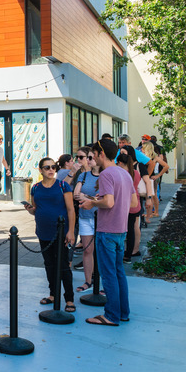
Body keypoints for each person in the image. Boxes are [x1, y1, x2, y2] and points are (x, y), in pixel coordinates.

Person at [80, 139, 138, 326]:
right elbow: (132, 204)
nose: (92, 157)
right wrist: (102, 199)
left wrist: (93, 202)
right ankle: (123, 313)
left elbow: (109, 203)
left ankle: (111, 316)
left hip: (107, 231)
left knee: (109, 274)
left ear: (101, 154)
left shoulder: (105, 175)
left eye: (94, 154)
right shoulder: (125, 173)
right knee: (119, 272)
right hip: (121, 231)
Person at [23, 157, 76, 313]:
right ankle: (53, 294)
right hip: (43, 232)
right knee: (49, 265)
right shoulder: (35, 188)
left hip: (60, 232)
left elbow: (71, 210)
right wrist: (30, 209)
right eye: (47, 167)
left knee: (63, 266)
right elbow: (36, 209)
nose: (51, 170)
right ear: (41, 170)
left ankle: (69, 298)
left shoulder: (62, 185)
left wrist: (71, 231)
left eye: (53, 167)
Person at [73, 147, 99, 292]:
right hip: (85, 217)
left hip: (101, 218)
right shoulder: (84, 176)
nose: (88, 160)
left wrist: (86, 197)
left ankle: (101, 281)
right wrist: (91, 198)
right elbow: (76, 195)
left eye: (91, 157)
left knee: (101, 251)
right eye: (87, 158)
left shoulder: (105, 176)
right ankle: (88, 281)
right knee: (87, 250)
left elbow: (103, 198)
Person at [118, 146, 143, 262]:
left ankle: (125, 254)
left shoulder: (123, 174)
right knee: (132, 229)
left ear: (121, 163)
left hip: (125, 204)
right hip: (135, 202)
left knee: (125, 230)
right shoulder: (136, 173)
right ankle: (129, 253)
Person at [141, 142, 169, 218]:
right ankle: (154, 212)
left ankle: (152, 212)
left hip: (151, 178)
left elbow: (166, 166)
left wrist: (158, 175)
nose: (141, 149)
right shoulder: (151, 157)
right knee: (152, 195)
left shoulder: (154, 157)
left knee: (151, 195)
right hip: (150, 177)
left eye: (143, 148)